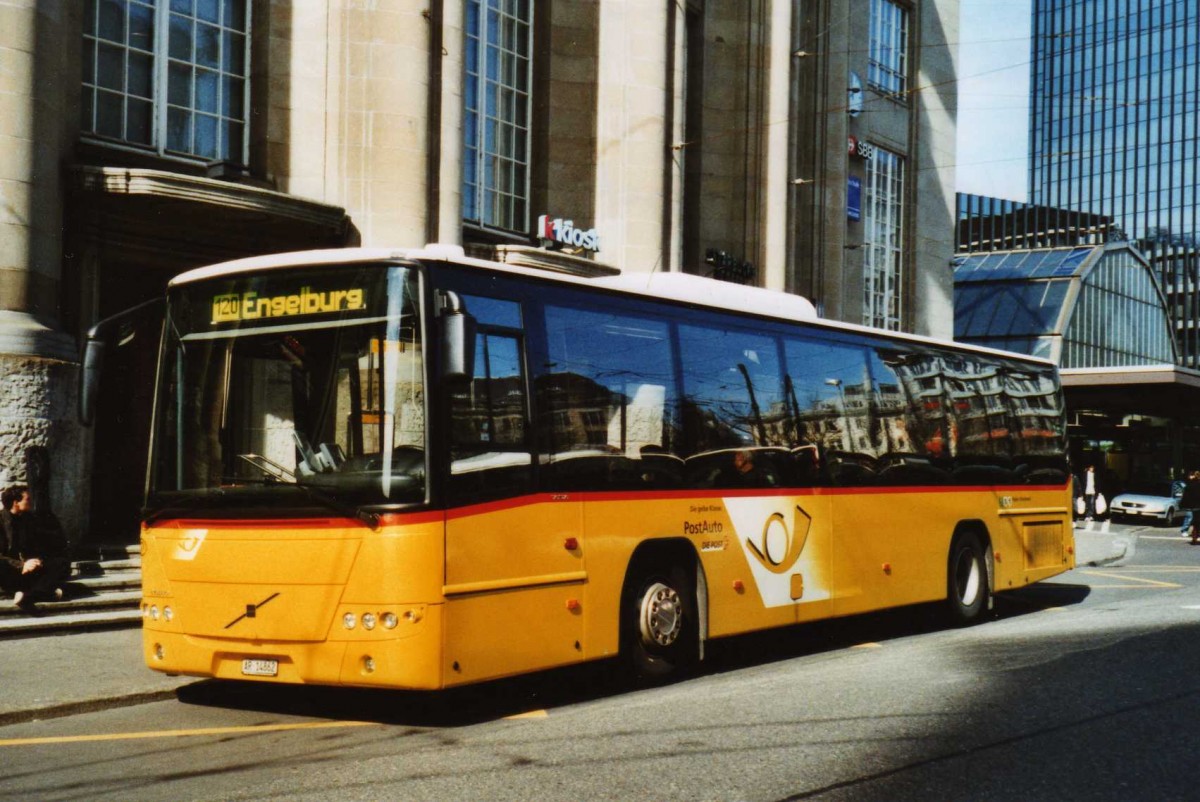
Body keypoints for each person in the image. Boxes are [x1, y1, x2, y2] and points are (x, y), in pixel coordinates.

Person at [0, 485, 70, 612]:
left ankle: (28, 596)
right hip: (9, 569)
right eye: (27, 499)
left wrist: (37, 560)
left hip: (28, 569)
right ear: (15, 502)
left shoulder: (29, 518)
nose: (31, 502)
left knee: (61, 563)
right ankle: (45, 593)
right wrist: (21, 565)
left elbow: (38, 545)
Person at [1180, 471, 1200, 543]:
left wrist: (1182, 505)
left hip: (1191, 506)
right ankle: (1195, 535)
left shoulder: (1188, 486)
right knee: (1196, 522)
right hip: (1197, 506)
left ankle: (1194, 537)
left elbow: (1185, 497)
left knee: (1193, 521)